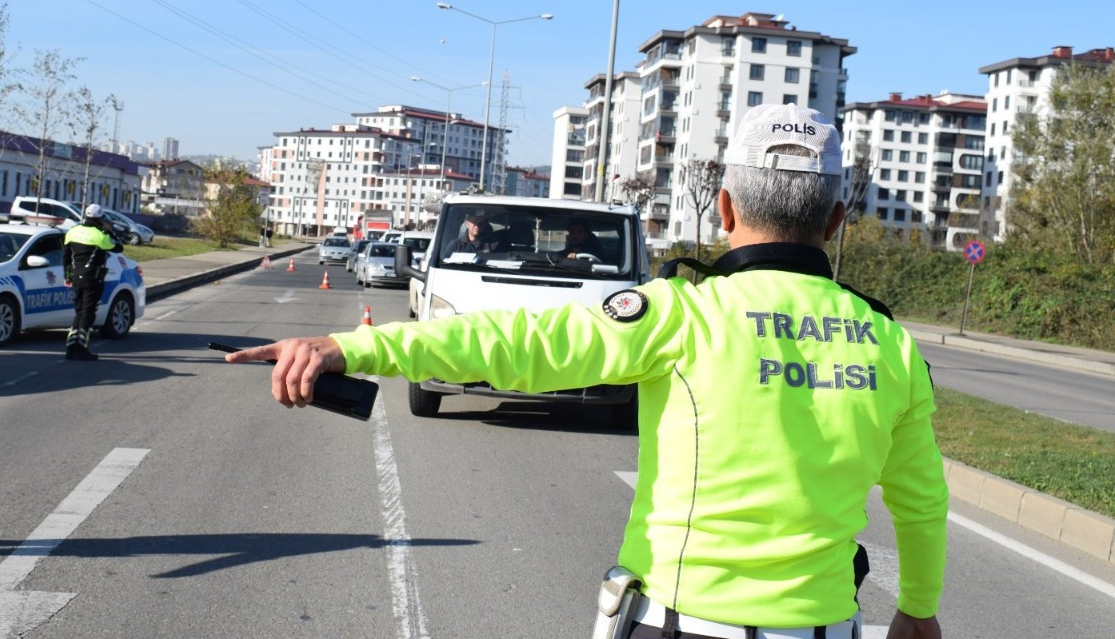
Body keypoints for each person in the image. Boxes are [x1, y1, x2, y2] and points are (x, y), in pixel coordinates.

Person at [224, 104, 947, 639]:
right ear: (836, 220)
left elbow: (519, 343)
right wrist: (917, 607)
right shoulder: (891, 345)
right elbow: (920, 502)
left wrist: (356, 348)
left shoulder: (682, 315)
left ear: (723, 208)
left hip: (681, 624)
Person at [62, 203, 123, 361]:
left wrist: (67, 276)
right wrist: (109, 230)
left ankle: (71, 348)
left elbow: (66, 257)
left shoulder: (73, 231)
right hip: (93, 278)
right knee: (88, 314)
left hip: (76, 276)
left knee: (79, 311)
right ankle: (81, 348)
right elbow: (119, 247)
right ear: (99, 219)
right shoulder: (100, 236)